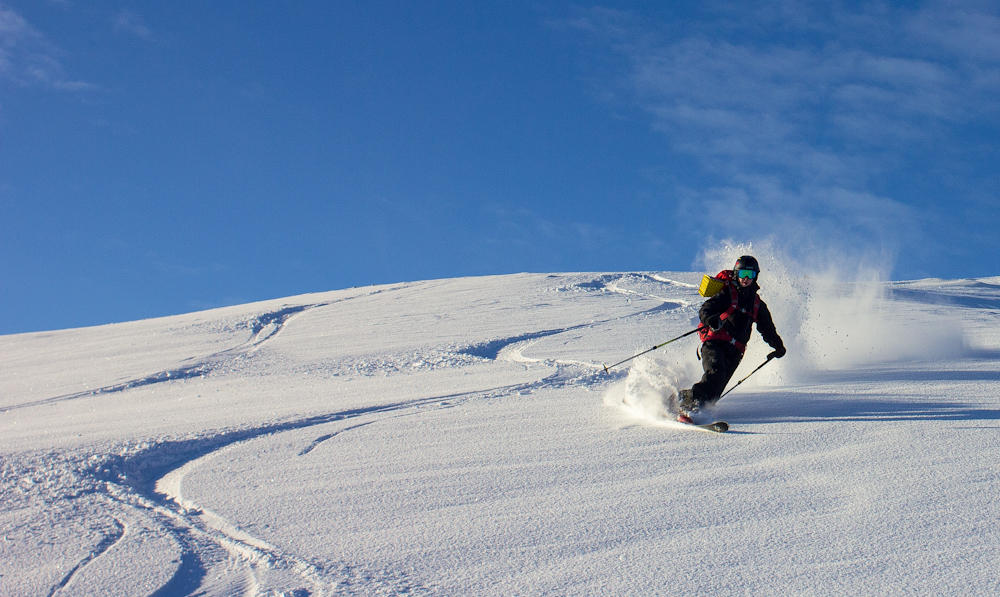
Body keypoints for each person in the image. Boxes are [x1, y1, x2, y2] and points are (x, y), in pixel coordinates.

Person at [675, 255, 785, 423]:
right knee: (715, 375)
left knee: (715, 390)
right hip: (715, 343)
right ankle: (689, 410)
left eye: (750, 274)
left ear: (756, 276)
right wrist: (711, 319)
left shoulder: (757, 304)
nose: (746, 278)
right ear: (736, 275)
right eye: (742, 274)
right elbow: (706, 309)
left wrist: (778, 346)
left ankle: (679, 398)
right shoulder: (727, 294)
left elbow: (767, 329)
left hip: (736, 352)